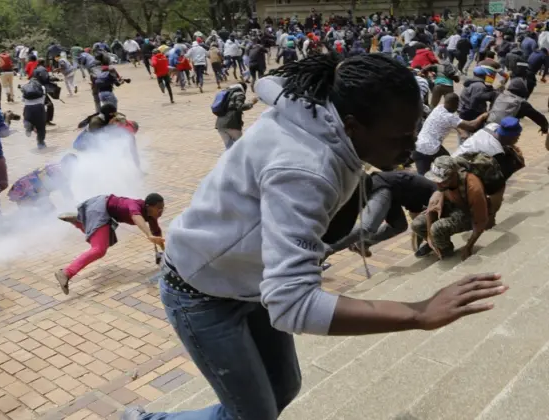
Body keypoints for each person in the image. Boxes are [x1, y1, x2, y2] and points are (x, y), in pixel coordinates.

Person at [121, 53, 507, 420]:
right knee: (254, 415)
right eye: (399, 137)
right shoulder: (306, 168)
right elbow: (292, 305)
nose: (411, 146)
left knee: (284, 387)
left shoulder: (327, 113)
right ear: (353, 125)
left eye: (414, 129)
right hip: (199, 289)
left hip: (250, 279)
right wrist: (418, 313)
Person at [55, 194, 165, 294]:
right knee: (99, 249)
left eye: (162, 208)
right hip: (100, 209)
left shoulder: (151, 216)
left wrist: (164, 253)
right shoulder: (134, 205)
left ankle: (80, 221)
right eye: (158, 209)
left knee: (103, 239)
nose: (161, 211)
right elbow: (136, 217)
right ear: (148, 206)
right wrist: (148, 235)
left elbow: (157, 234)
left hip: (103, 211)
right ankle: (66, 273)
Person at [327, 171, 436, 257]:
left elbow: (415, 214)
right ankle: (324, 249)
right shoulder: (436, 190)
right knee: (367, 227)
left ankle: (363, 243)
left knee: (399, 226)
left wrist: (427, 236)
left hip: (391, 192)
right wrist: (430, 236)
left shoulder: (418, 192)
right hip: (381, 187)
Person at [412, 155, 495, 260]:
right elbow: (431, 211)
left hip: (470, 214)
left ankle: (446, 251)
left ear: (453, 176)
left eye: (442, 181)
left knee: (437, 228)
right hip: (454, 206)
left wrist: (469, 246)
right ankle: (435, 244)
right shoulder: (442, 185)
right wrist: (429, 237)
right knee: (417, 224)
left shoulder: (473, 188)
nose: (438, 185)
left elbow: (480, 222)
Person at [413, 93, 487, 175]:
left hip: (418, 145)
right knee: (445, 166)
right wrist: (483, 116)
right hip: (430, 149)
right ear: (455, 105)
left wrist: (461, 131)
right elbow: (472, 125)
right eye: (457, 104)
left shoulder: (439, 108)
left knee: (446, 161)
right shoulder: (449, 117)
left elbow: (453, 122)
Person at [7, 154, 77, 211]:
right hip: (28, 192)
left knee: (31, 215)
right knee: (50, 214)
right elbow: (67, 194)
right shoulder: (60, 172)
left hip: (19, 189)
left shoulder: (54, 165)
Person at [215, 82, 258, 149]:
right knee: (241, 147)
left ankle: (228, 159)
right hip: (232, 124)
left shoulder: (226, 92)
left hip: (220, 124)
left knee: (229, 148)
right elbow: (240, 106)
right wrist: (251, 103)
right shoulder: (239, 93)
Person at [20, 77, 48, 149]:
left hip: (28, 108)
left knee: (27, 120)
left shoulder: (25, 87)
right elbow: (44, 98)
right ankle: (40, 143)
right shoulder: (42, 87)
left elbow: (22, 100)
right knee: (41, 127)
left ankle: (29, 126)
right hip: (39, 108)